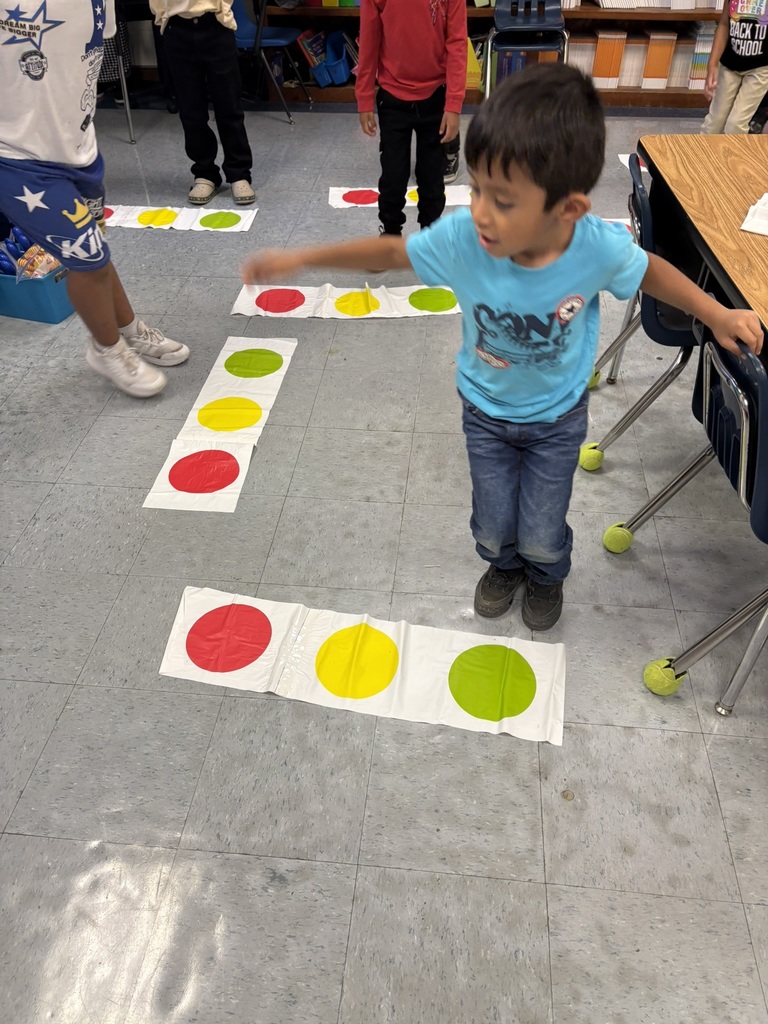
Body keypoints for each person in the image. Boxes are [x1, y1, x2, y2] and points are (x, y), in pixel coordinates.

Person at [242, 63, 764, 630]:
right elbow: (392, 253)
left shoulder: (593, 248)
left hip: (558, 419)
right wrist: (300, 259)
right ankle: (503, 564)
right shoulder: (467, 238)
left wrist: (715, 312)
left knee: (543, 525)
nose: (483, 212)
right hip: (484, 413)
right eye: (479, 188)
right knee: (491, 522)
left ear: (567, 210)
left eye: (505, 200)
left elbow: (651, 272)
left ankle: (545, 573)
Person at [0, 0, 188, 398]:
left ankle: (129, 330)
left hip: (78, 150)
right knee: (89, 259)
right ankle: (106, 348)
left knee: (94, 251)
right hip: (18, 157)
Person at [356, 0, 467, 237]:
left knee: (432, 179)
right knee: (393, 177)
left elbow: (457, 43)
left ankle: (431, 238)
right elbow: (368, 41)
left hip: (436, 96)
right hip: (393, 97)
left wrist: (454, 104)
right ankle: (390, 234)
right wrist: (364, 97)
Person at [150, 1, 255, 205]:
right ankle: (205, 173)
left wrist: (222, 11)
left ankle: (238, 173)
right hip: (176, 28)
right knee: (191, 111)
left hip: (215, 25)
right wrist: (163, 17)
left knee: (229, 107)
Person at [702, 0, 768, 134]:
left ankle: (732, 154)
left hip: (760, 69)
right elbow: (724, 24)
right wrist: (712, 64)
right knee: (714, 122)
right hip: (729, 65)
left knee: (735, 125)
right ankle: (704, 153)